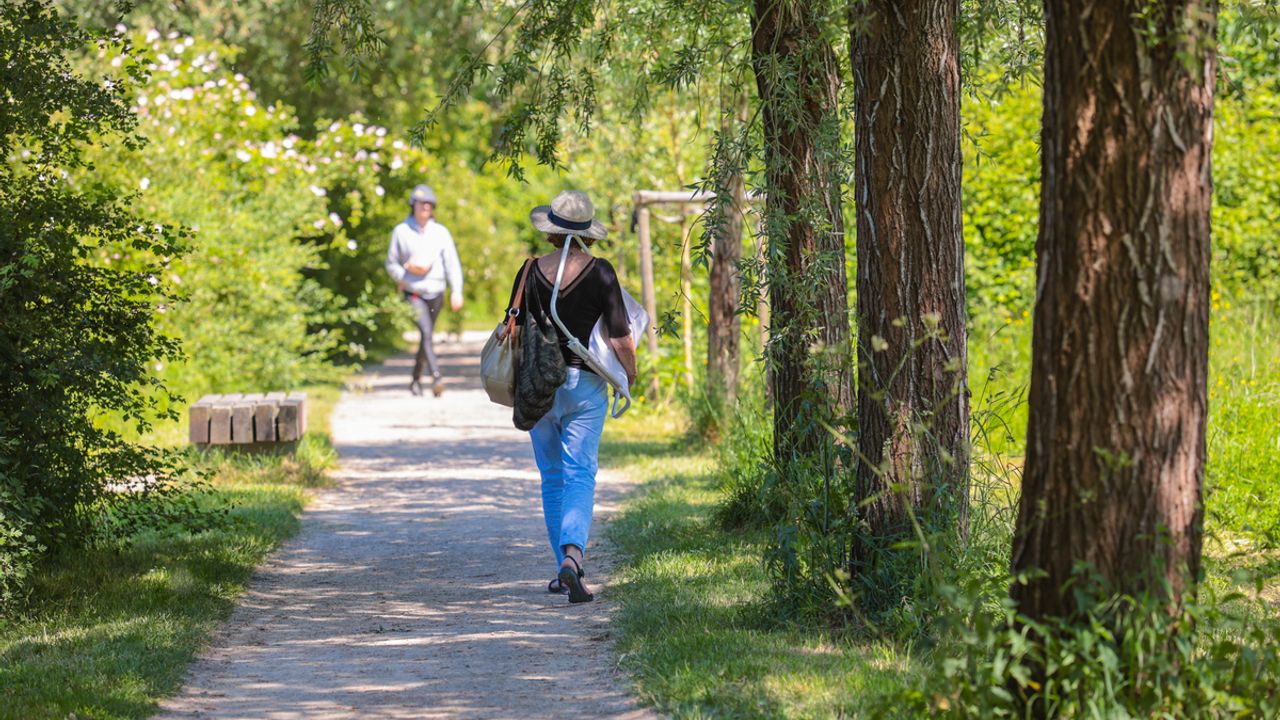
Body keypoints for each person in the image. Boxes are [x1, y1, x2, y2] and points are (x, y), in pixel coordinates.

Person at [503, 190, 637, 603]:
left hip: (537, 387)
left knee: (552, 476)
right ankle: (573, 558)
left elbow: (513, 327)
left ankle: (562, 568)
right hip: (584, 386)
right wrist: (631, 376)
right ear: (586, 234)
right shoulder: (601, 273)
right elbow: (621, 338)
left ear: (551, 231)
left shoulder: (528, 271)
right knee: (581, 472)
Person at [385, 184, 464, 396]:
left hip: (436, 291)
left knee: (425, 337)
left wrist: (457, 290)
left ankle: (415, 380)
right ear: (413, 205)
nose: (425, 207)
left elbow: (452, 264)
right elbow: (391, 262)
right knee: (426, 332)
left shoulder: (440, 232)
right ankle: (436, 377)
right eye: (422, 203)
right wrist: (405, 273)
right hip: (413, 292)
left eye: (429, 203)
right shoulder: (401, 232)